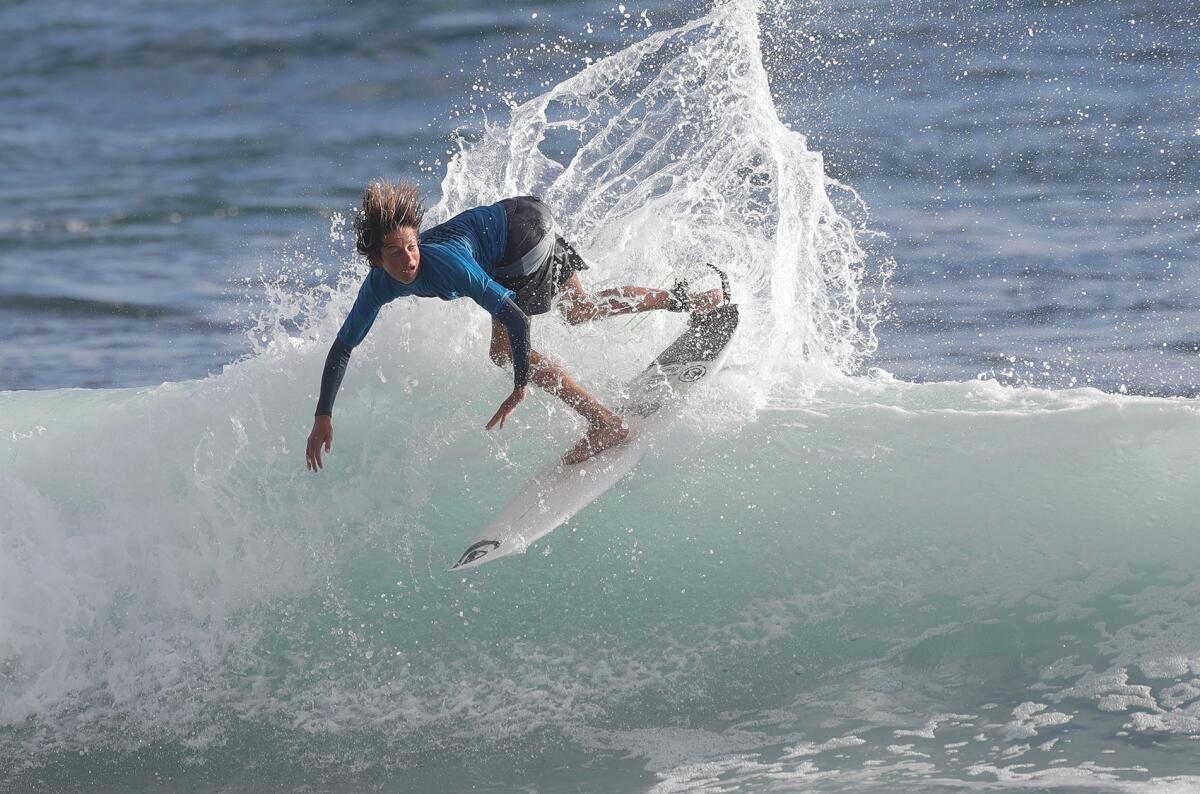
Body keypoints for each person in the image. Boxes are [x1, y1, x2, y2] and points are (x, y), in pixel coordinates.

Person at [305, 180, 721, 472]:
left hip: (520, 239)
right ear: (376, 260)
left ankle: (604, 422)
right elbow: (343, 347)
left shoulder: (446, 264)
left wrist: (520, 385)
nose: (409, 259)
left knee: (503, 351)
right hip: (529, 215)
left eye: (412, 246)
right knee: (580, 308)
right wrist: (323, 414)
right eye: (395, 253)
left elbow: (516, 318)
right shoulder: (378, 285)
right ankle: (690, 300)